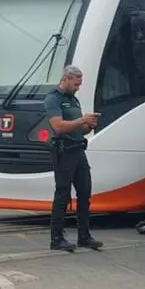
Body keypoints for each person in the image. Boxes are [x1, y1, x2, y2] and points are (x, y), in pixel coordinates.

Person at [44, 66, 101, 252]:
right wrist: (82, 120)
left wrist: (89, 125)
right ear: (66, 79)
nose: (78, 88)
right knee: (62, 194)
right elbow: (59, 126)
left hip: (78, 150)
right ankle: (56, 238)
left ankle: (84, 236)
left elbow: (78, 128)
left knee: (85, 193)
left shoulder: (73, 100)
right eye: (76, 84)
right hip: (64, 151)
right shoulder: (53, 98)